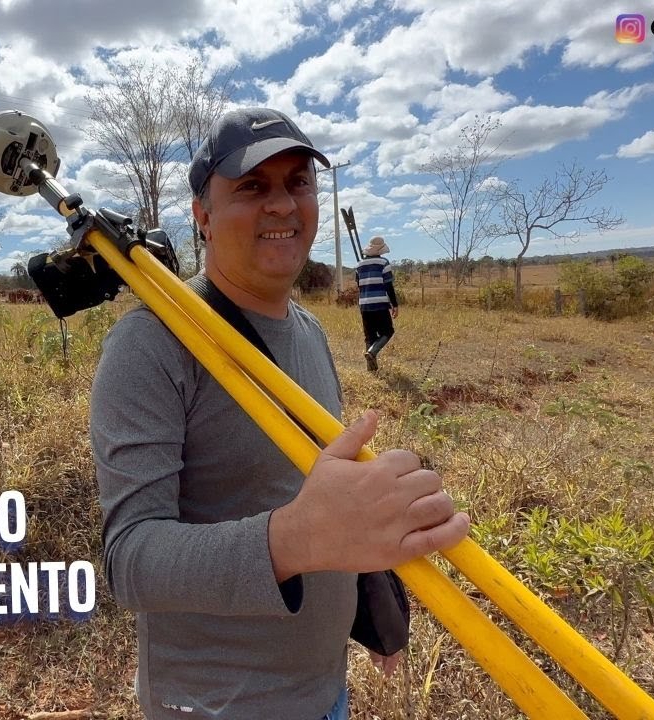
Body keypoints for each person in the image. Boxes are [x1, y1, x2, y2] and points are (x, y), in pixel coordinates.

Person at [89, 108, 470, 719]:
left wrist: (376, 602)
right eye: (252, 187)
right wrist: (296, 537)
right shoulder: (152, 345)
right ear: (202, 215)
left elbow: (320, 491)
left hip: (323, 692)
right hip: (217, 706)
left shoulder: (311, 332)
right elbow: (130, 562)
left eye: (298, 182)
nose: (284, 206)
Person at [355, 236, 399, 372]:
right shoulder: (383, 263)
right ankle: (373, 351)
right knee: (388, 331)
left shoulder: (359, 264)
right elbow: (388, 286)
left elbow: (359, 284)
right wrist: (395, 305)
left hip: (364, 304)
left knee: (369, 335)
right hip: (379, 304)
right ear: (381, 250)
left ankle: (371, 369)